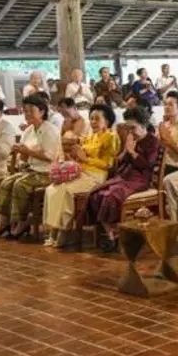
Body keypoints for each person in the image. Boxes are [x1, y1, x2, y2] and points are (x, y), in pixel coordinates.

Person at [80, 107, 159, 252]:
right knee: (97, 194)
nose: (130, 132)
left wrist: (132, 152)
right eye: (128, 128)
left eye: (133, 128)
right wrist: (124, 152)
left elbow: (147, 165)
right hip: (123, 176)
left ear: (143, 125)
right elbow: (120, 163)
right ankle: (112, 233)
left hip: (139, 179)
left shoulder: (152, 141)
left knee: (111, 196)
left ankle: (114, 234)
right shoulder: (131, 138)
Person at [44, 104, 118, 248]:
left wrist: (85, 159)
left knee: (66, 190)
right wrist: (73, 158)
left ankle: (63, 231)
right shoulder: (89, 137)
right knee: (52, 188)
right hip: (81, 172)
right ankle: (53, 230)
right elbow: (80, 157)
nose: (93, 122)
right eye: (91, 119)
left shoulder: (111, 137)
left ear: (107, 121)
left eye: (97, 119)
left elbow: (108, 165)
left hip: (97, 176)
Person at [0, 95, 61, 240]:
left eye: (30, 111)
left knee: (20, 185)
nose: (27, 114)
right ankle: (3, 223)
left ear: (41, 111)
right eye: (25, 111)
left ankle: (21, 223)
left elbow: (51, 157)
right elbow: (25, 156)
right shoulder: (28, 131)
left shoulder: (50, 130)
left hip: (48, 172)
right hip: (32, 169)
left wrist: (28, 151)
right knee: (6, 183)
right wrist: (22, 154)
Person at [158, 91, 178, 176]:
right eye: (165, 104)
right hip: (159, 164)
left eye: (170, 104)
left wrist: (166, 139)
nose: (166, 107)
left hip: (174, 166)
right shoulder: (163, 125)